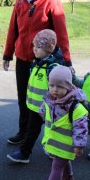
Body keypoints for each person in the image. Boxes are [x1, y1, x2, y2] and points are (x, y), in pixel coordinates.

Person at [3, 0, 72, 145]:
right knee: (24, 98)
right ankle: (23, 132)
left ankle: (51, 136)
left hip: (43, 61)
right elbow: (13, 29)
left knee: (46, 100)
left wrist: (66, 60)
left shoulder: (51, 1)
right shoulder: (20, 2)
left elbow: (61, 33)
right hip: (23, 59)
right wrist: (8, 54)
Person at [7, 29, 64, 163]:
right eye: (34, 46)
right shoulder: (36, 62)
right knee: (32, 130)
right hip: (35, 106)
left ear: (49, 49)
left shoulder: (52, 67)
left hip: (48, 106)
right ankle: (25, 153)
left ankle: (50, 150)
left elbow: (59, 87)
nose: (35, 49)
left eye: (39, 47)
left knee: (52, 129)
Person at [33, 66, 89, 180]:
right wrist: (42, 114)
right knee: (63, 160)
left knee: (57, 165)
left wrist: (79, 145)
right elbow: (44, 109)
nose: (54, 89)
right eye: (51, 85)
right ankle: (68, 177)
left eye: (59, 86)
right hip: (55, 141)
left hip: (67, 143)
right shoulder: (49, 98)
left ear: (69, 87)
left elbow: (81, 128)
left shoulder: (75, 106)